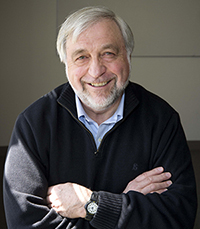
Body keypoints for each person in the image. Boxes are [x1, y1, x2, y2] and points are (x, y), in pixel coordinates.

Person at [3, 6, 197, 229]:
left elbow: (178, 219)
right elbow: (25, 225)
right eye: (81, 57)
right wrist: (126, 204)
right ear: (66, 63)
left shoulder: (162, 121)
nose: (96, 71)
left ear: (128, 56)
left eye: (108, 54)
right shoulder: (33, 124)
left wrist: (91, 205)